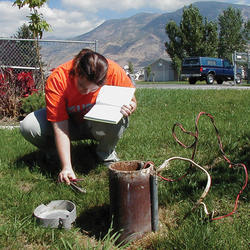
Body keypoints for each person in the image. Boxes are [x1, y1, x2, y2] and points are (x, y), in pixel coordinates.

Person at [20, 49, 137, 185]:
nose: (85, 92)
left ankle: (105, 154)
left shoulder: (113, 71)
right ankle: (55, 154)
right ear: (75, 71)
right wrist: (67, 167)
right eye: (81, 85)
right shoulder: (58, 79)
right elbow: (60, 127)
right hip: (70, 124)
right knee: (28, 126)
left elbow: (132, 101)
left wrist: (130, 106)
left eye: (92, 89)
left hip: (96, 125)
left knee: (121, 117)